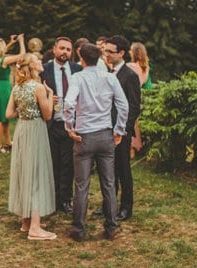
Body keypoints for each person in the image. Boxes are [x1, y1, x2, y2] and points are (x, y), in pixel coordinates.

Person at [62, 43, 128, 241]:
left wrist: (69, 127)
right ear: (98, 58)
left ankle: (79, 230)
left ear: (81, 59)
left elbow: (68, 104)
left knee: (82, 185)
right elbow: (123, 105)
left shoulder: (77, 78)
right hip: (106, 135)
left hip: (84, 137)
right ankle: (111, 228)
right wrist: (119, 130)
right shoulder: (110, 78)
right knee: (108, 184)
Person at [6, 53, 57, 240]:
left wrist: (24, 109)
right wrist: (50, 95)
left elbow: (9, 113)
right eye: (38, 60)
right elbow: (48, 115)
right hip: (35, 129)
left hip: (21, 130)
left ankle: (26, 221)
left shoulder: (17, 87)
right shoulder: (38, 88)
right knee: (36, 174)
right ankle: (35, 228)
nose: (41, 62)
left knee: (24, 172)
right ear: (32, 66)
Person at [40, 37, 82, 213]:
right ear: (54, 49)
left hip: (70, 125)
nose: (65, 52)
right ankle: (52, 198)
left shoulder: (77, 70)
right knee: (51, 163)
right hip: (50, 123)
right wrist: (47, 97)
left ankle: (65, 199)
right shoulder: (44, 69)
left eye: (68, 49)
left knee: (68, 164)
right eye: (62, 48)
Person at [104, 36, 141, 221]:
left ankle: (126, 207)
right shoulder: (107, 73)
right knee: (108, 170)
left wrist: (123, 130)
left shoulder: (130, 76)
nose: (107, 54)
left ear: (121, 53)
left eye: (110, 51)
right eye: (105, 51)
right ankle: (109, 205)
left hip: (121, 131)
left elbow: (134, 106)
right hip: (104, 129)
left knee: (123, 169)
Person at [0, 34, 25, 153]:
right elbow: (22, 55)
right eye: (4, 46)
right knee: (1, 118)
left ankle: (8, 142)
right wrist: (21, 41)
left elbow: (3, 51)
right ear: (0, 49)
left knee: (4, 118)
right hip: (4, 89)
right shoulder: (5, 60)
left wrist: (10, 42)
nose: (5, 48)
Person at [127, 42, 151, 156]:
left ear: (134, 53)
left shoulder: (130, 66)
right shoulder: (146, 68)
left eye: (131, 50)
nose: (129, 52)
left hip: (130, 95)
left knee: (130, 123)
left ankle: (131, 148)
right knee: (136, 123)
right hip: (139, 96)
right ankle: (136, 147)